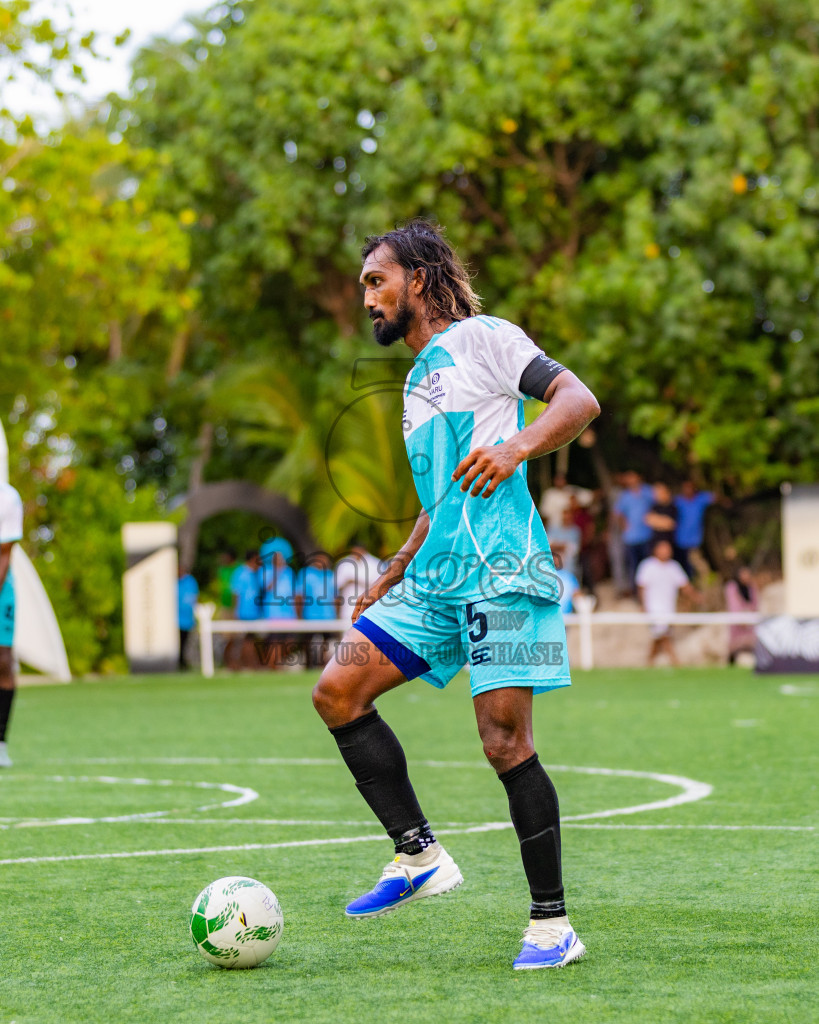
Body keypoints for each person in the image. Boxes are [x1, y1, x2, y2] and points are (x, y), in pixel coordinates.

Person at [311, 221, 600, 970]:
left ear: (417, 278)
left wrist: (517, 446)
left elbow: (578, 399)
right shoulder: (415, 383)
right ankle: (419, 856)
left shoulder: (485, 338)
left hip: (503, 569)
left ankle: (552, 927)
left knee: (504, 742)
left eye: (376, 281)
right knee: (337, 690)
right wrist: (396, 566)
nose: (367, 299)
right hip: (435, 579)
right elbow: (441, 496)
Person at [635, 540, 700, 666]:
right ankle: (675, 661)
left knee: (659, 635)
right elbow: (641, 587)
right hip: (653, 608)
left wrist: (696, 597)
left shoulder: (673, 567)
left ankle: (649, 662)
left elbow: (684, 585)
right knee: (662, 634)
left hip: (668, 608)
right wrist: (643, 605)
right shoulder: (648, 566)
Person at [0, 480, 23, 768]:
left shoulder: (7, 498)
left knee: (3, 661)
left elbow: (4, 554)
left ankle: (0, 743)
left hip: (1, 586)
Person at [613, 471, 654, 594]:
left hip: (647, 535)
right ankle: (636, 593)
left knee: (648, 565)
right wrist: (624, 526)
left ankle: (649, 590)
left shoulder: (647, 491)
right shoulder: (624, 496)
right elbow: (617, 513)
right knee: (633, 566)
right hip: (631, 538)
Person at [297, 552, 339, 668]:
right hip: (310, 615)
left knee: (327, 642)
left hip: (328, 616)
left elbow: (335, 597)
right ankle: (308, 665)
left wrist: (336, 614)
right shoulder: (305, 574)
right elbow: (300, 596)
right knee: (308, 641)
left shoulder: (330, 575)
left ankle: (323, 665)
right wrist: (299, 615)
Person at [228, 550, 262, 669]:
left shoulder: (256, 574)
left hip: (254, 613)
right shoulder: (240, 573)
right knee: (239, 640)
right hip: (243, 613)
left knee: (250, 639)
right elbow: (236, 593)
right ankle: (234, 664)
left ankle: (248, 664)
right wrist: (235, 611)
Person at [674, 481, 715, 579]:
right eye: (685, 488)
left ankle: (706, 580)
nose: (688, 490)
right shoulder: (678, 501)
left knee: (697, 561)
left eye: (690, 488)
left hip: (695, 539)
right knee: (683, 564)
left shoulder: (700, 499)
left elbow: (715, 497)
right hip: (680, 539)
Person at [724, 567, 759, 665]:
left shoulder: (751, 588)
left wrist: (750, 616)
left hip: (749, 623)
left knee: (751, 646)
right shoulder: (732, 587)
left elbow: (755, 604)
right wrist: (741, 619)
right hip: (737, 623)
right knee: (734, 648)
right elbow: (733, 605)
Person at [547, 506, 581, 577]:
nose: (566, 519)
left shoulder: (575, 531)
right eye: (565, 517)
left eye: (569, 517)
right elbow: (549, 545)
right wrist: (562, 546)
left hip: (568, 566)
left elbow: (573, 549)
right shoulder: (554, 528)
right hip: (553, 562)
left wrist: (557, 545)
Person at [177, 566, 199, 670]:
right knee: (178, 642)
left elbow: (195, 597)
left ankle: (183, 662)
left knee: (185, 642)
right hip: (175, 619)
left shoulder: (190, 581)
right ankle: (179, 662)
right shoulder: (172, 581)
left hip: (187, 619)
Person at [644, 482, 678, 547]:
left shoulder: (672, 507)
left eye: (659, 493)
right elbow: (647, 520)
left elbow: (670, 524)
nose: (656, 495)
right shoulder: (654, 506)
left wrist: (656, 521)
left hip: (668, 543)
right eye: (655, 493)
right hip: (655, 542)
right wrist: (662, 521)